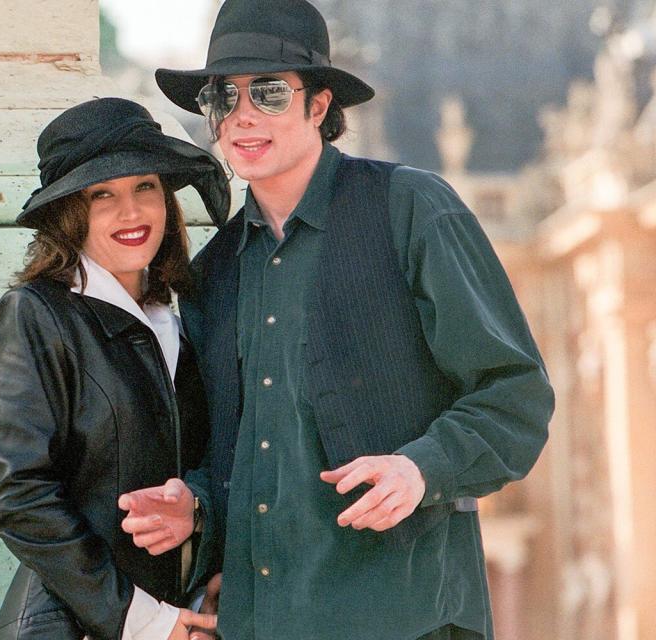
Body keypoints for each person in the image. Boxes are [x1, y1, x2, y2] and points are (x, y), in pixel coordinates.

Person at [117, 2, 555, 639]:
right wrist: (197, 506)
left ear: (318, 106)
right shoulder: (212, 272)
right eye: (222, 95)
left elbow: (516, 394)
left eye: (268, 92)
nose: (241, 115)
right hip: (260, 622)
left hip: (404, 617)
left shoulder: (410, 208)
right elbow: (237, 453)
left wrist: (421, 468)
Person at [0, 97, 230, 640]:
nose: (132, 212)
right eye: (103, 195)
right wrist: (145, 622)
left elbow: (215, 461)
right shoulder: (35, 314)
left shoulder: (184, 318)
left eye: (145, 187)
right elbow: (20, 497)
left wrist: (204, 532)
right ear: (70, 213)